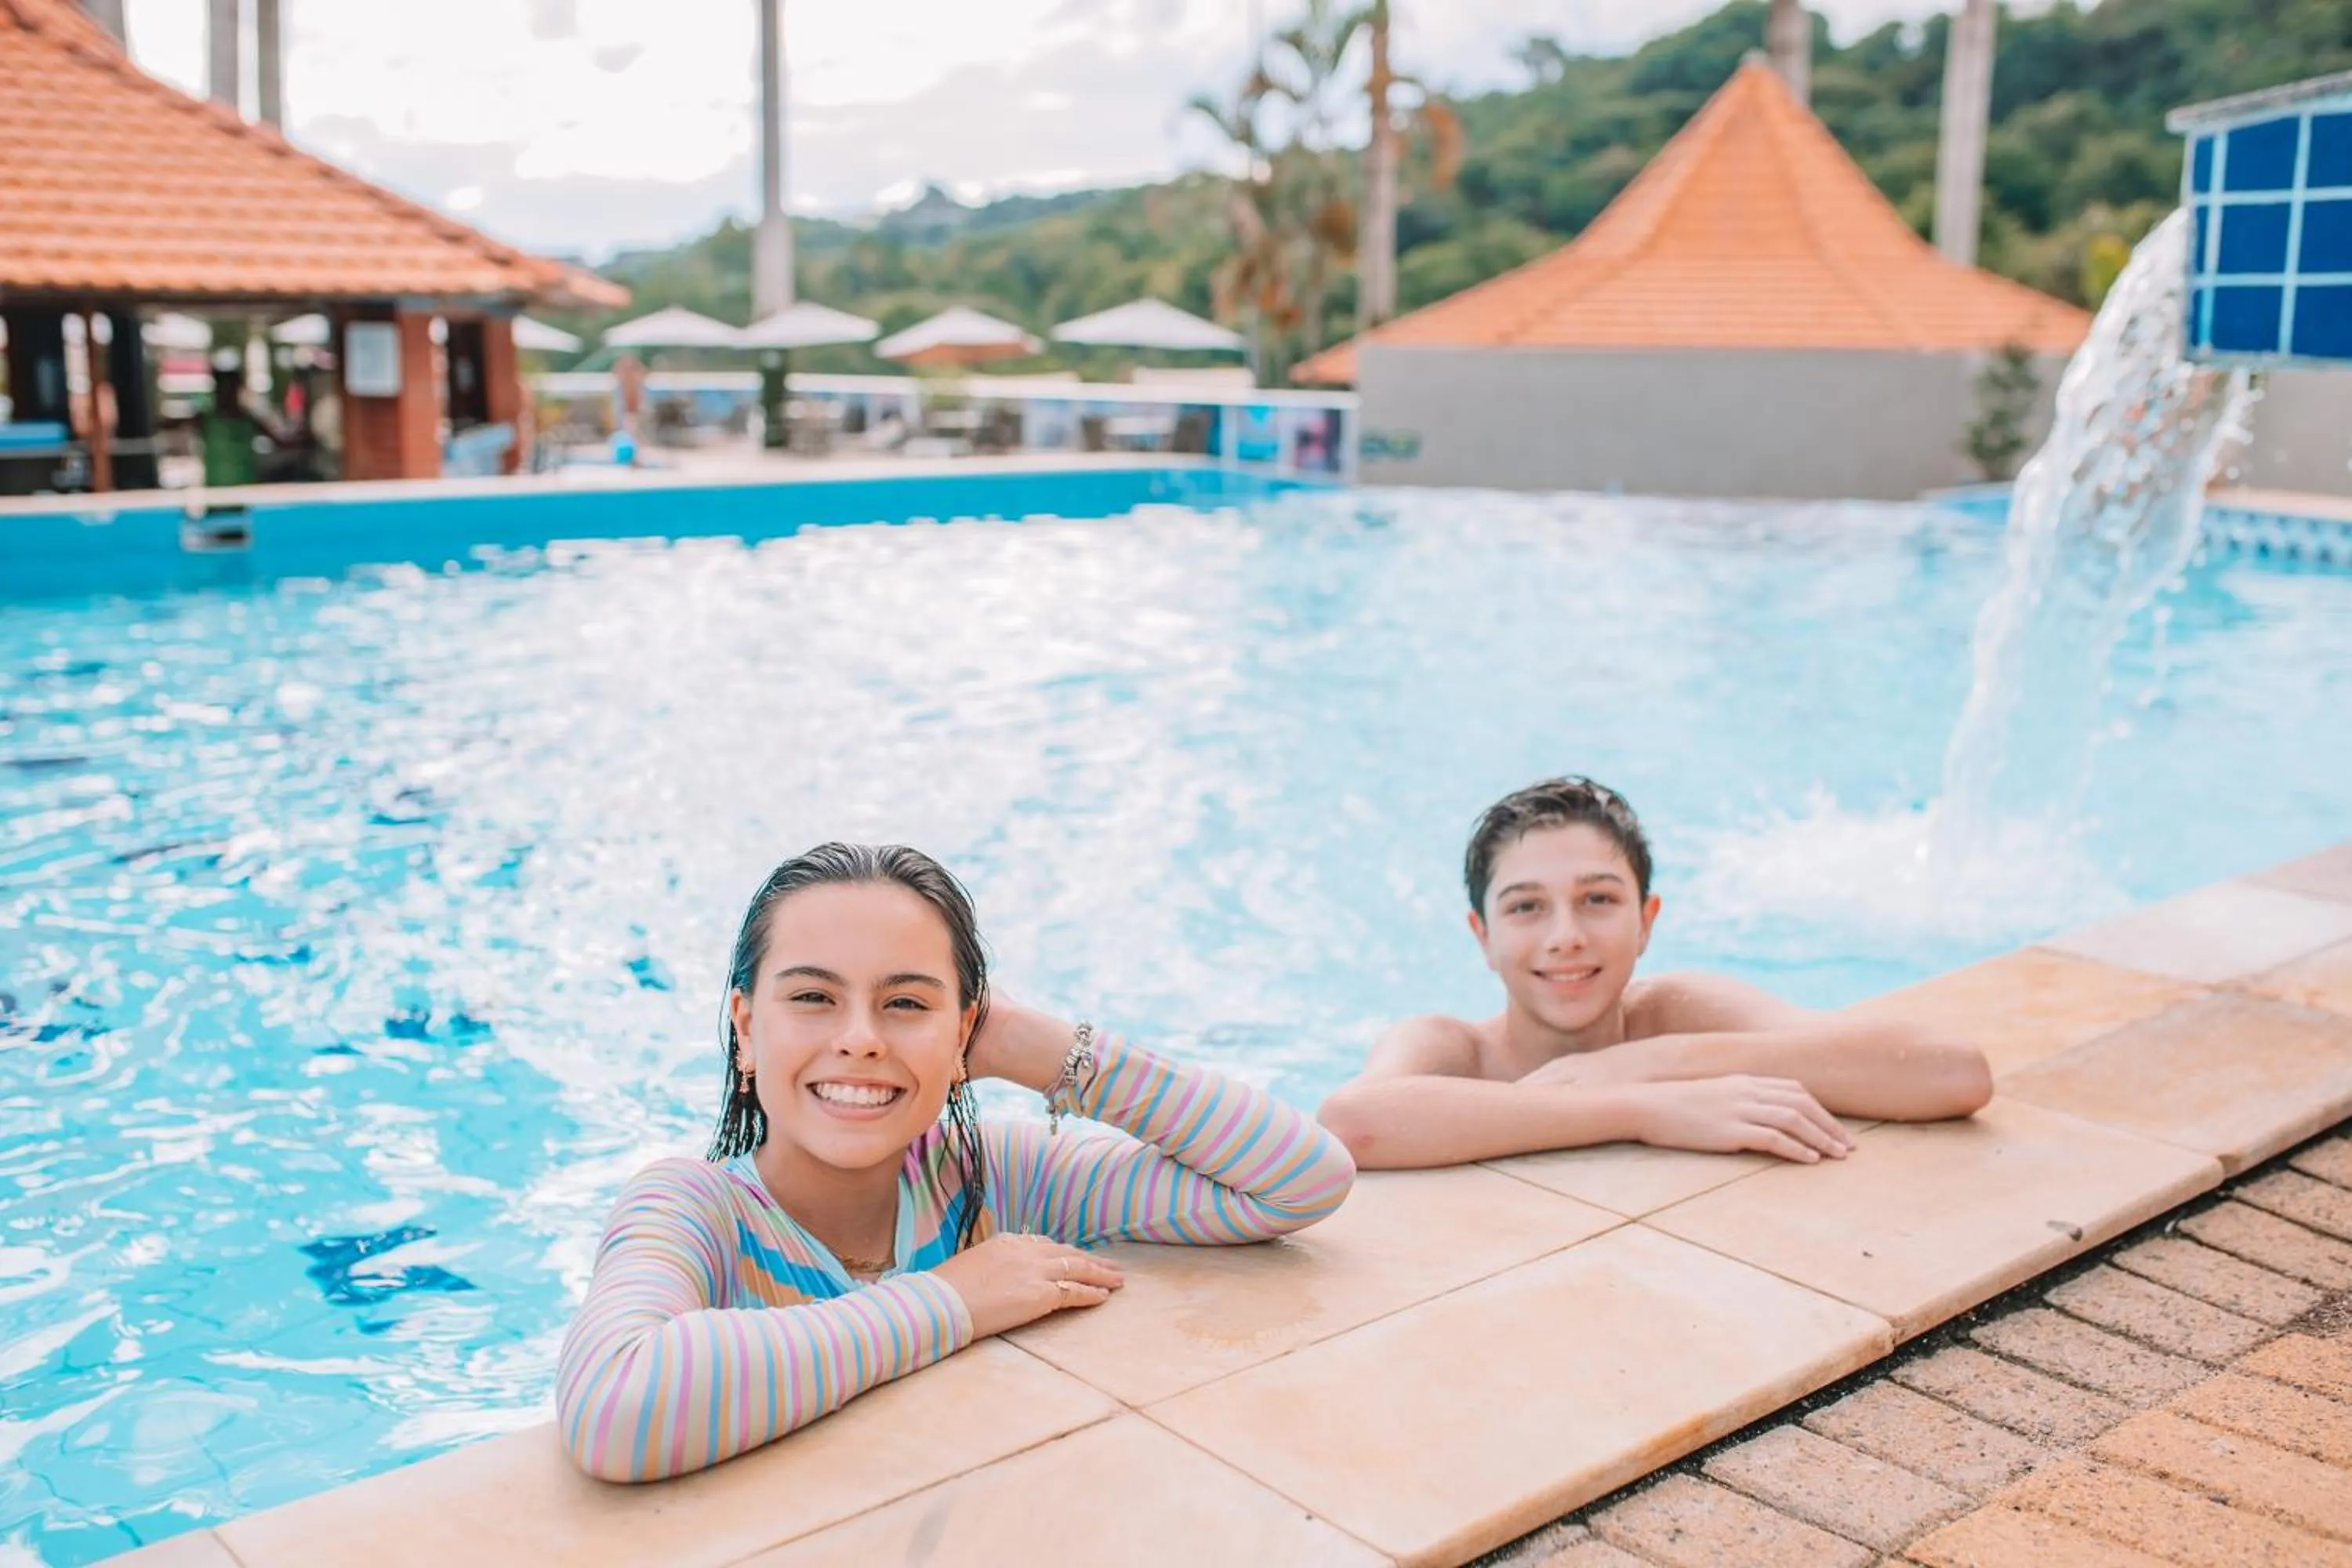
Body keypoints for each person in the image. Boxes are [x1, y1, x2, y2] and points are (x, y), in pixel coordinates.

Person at [556, 843, 1355, 1482]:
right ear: (744, 1028)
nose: (862, 1036)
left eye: (907, 1002)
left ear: (963, 1028)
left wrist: (1034, 1048)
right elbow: (615, 1407)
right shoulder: (692, 1207)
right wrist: (950, 1299)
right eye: (812, 997)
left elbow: (1300, 1178)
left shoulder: (995, 1178)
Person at [1316, 777, 1991, 1170]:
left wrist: (1655, 1059)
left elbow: (1952, 1072)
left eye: (1599, 899)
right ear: (1483, 938)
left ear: (1646, 921)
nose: (1566, 937)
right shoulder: (1453, 1048)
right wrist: (1638, 1108)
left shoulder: (1677, 1012)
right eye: (1527, 907)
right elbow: (1350, 1123)